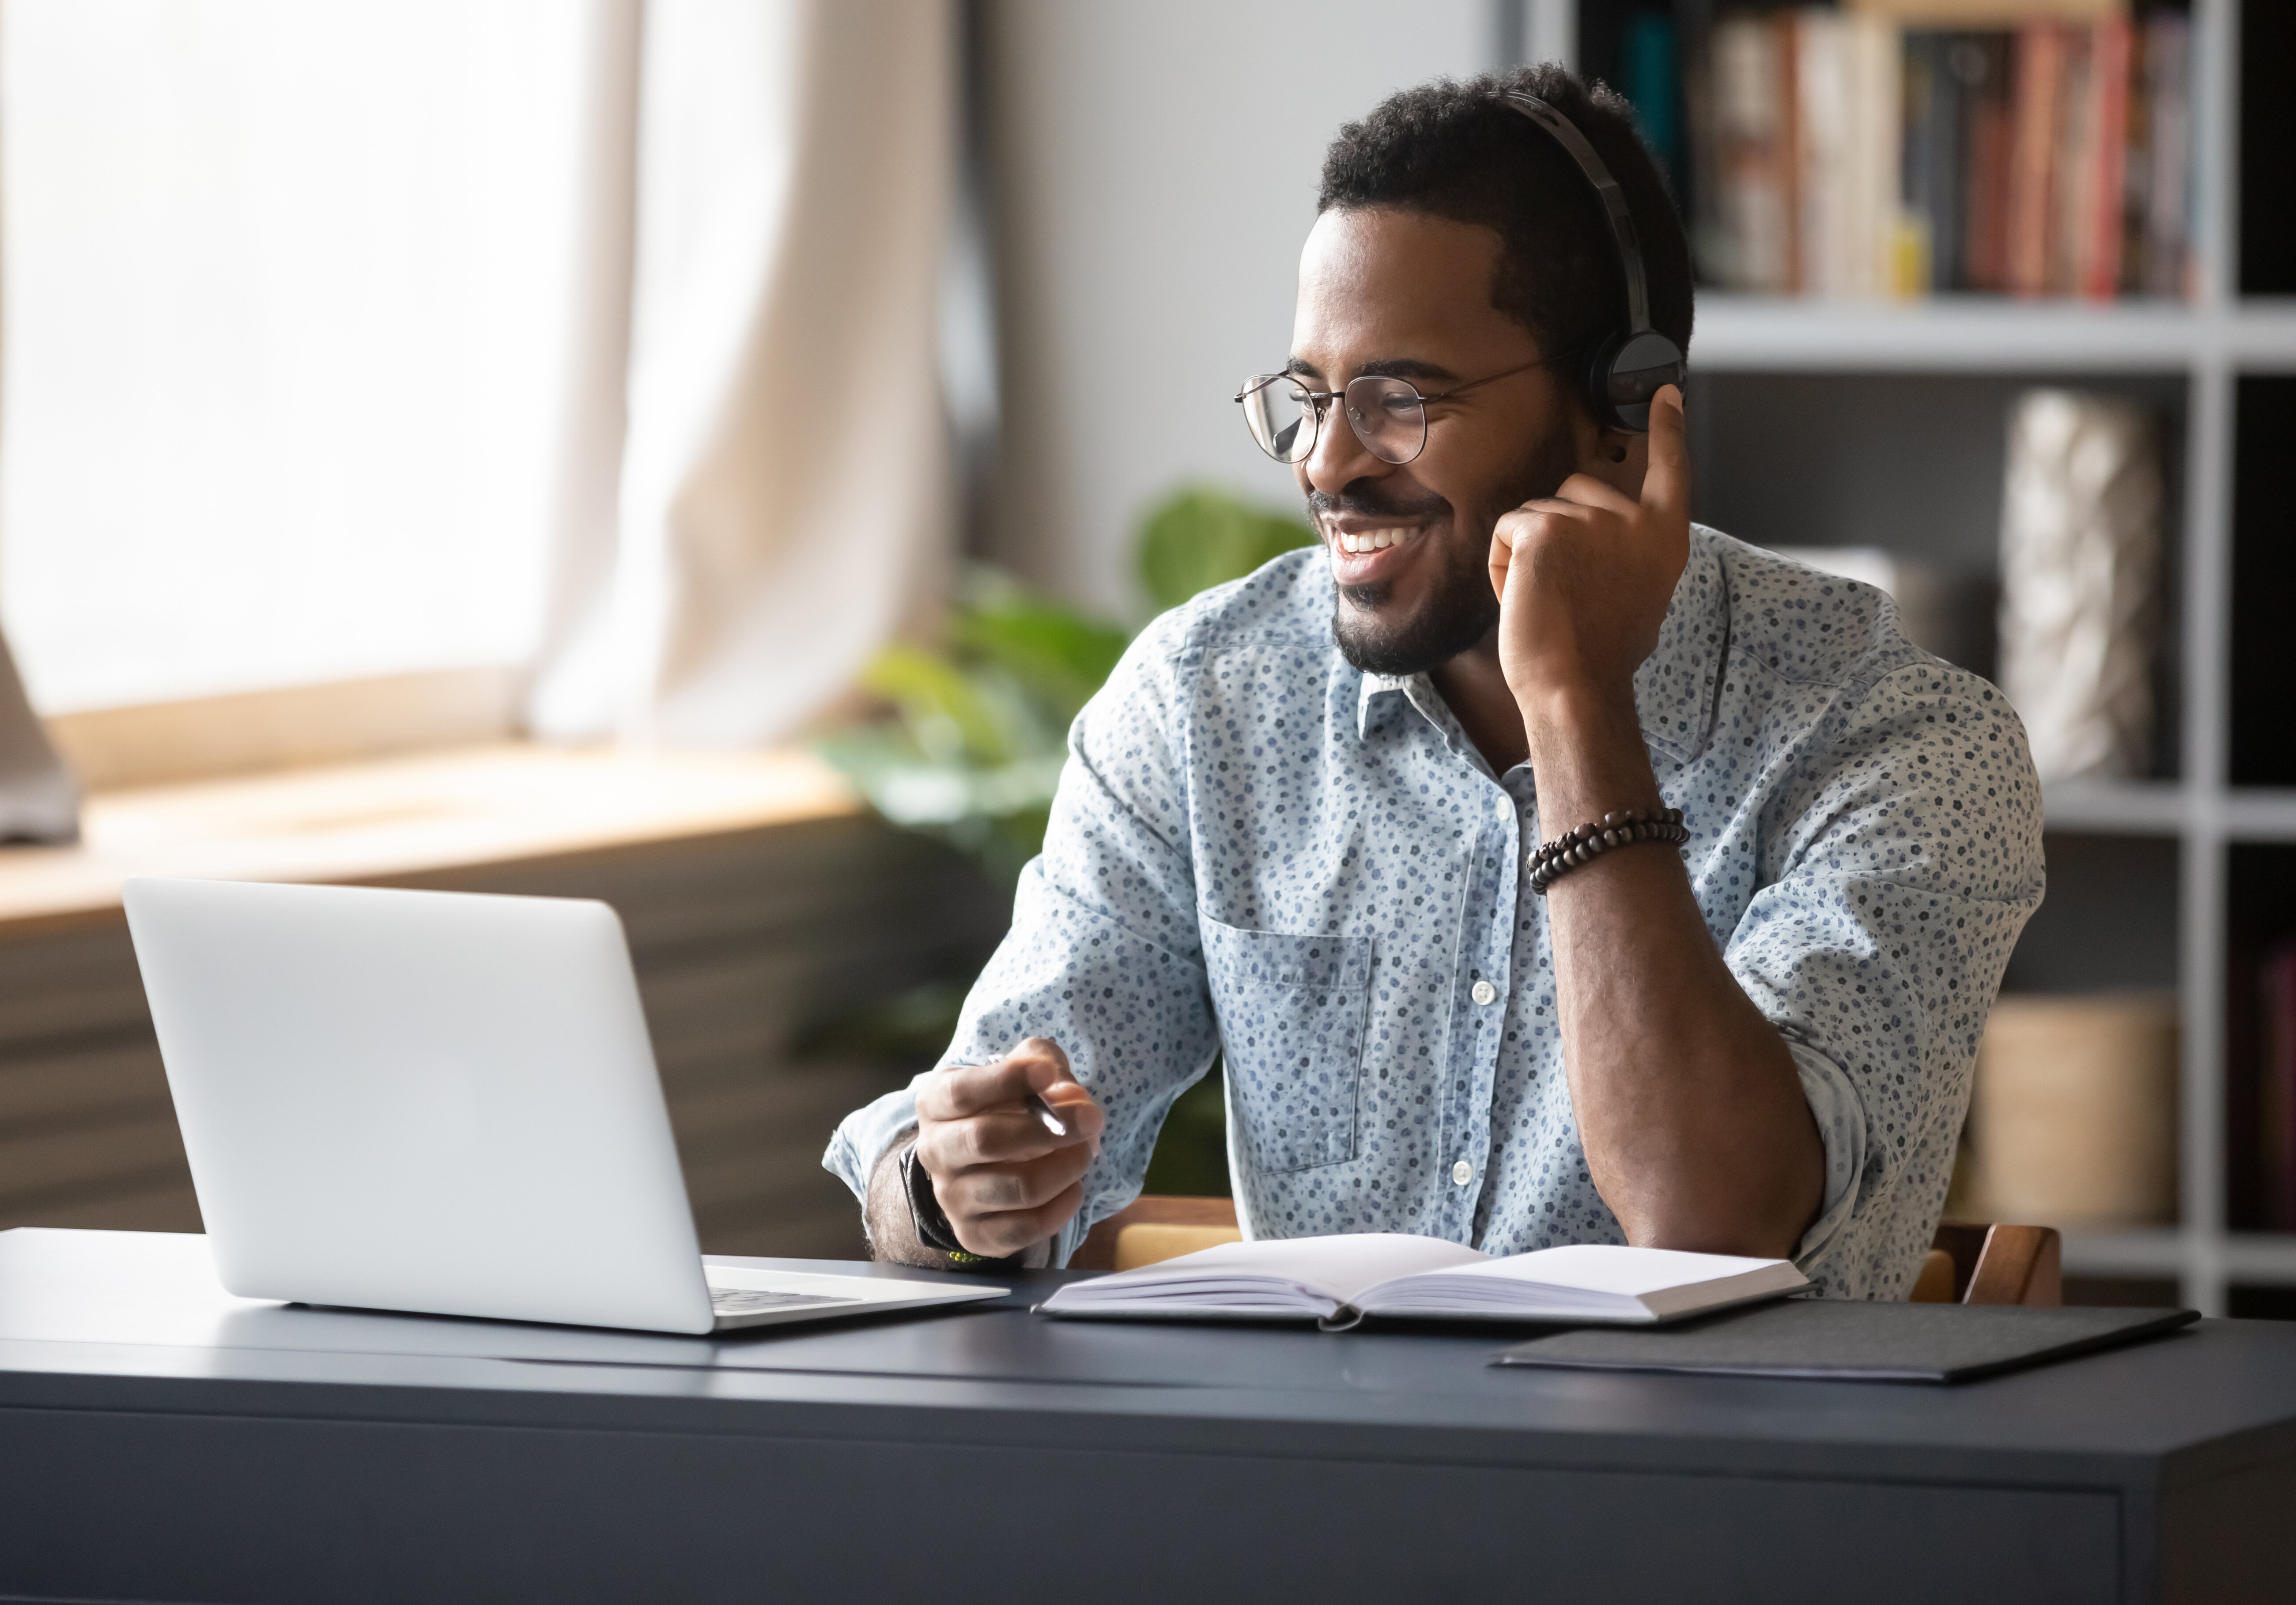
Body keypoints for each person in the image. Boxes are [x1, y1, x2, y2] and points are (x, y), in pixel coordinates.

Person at [823, 64, 2044, 1299]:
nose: (1327, 461)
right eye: (1308, 396)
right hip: (1336, 1487)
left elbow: (1711, 1218)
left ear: (1623, 410)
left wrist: (1574, 701)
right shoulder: (1206, 704)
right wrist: (946, 1182)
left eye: (1399, 399)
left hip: (1703, 1489)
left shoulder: (1898, 743)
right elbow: (962, 1142)